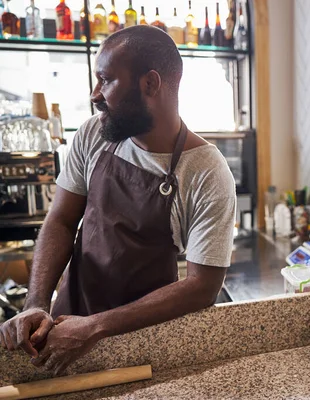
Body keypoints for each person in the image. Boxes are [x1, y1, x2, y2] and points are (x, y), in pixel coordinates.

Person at [0, 25, 236, 375]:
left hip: (144, 341)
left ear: (150, 84)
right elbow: (61, 221)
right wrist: (37, 304)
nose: (95, 94)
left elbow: (202, 287)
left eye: (106, 80)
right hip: (67, 323)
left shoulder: (206, 171)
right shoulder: (94, 134)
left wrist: (96, 326)